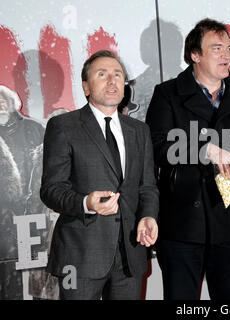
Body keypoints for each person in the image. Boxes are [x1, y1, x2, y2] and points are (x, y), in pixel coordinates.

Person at [146, 18, 230, 300]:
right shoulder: (167, 94)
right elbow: (156, 146)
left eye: (228, 48)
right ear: (195, 54)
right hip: (182, 227)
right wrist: (206, 149)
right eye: (216, 48)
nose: (227, 55)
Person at [40, 50, 159, 300]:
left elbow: (147, 186)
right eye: (102, 74)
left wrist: (148, 216)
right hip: (80, 256)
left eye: (118, 75)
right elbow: (52, 189)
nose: (112, 80)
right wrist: (86, 203)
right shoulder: (63, 126)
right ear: (86, 87)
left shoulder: (140, 131)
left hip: (130, 254)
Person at [0, 85, 45, 299]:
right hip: (2, 222)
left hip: (32, 217)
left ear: (12, 102)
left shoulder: (34, 129)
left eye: (3, 99)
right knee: (8, 282)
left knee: (39, 280)